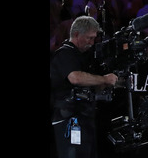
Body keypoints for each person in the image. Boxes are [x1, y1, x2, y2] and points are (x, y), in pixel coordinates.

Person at [50, 15, 120, 158]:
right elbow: (75, 78)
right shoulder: (64, 54)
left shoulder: (86, 57)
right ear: (76, 34)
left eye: (94, 38)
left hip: (85, 117)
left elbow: (94, 85)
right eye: (89, 38)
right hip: (67, 119)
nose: (92, 42)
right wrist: (104, 79)